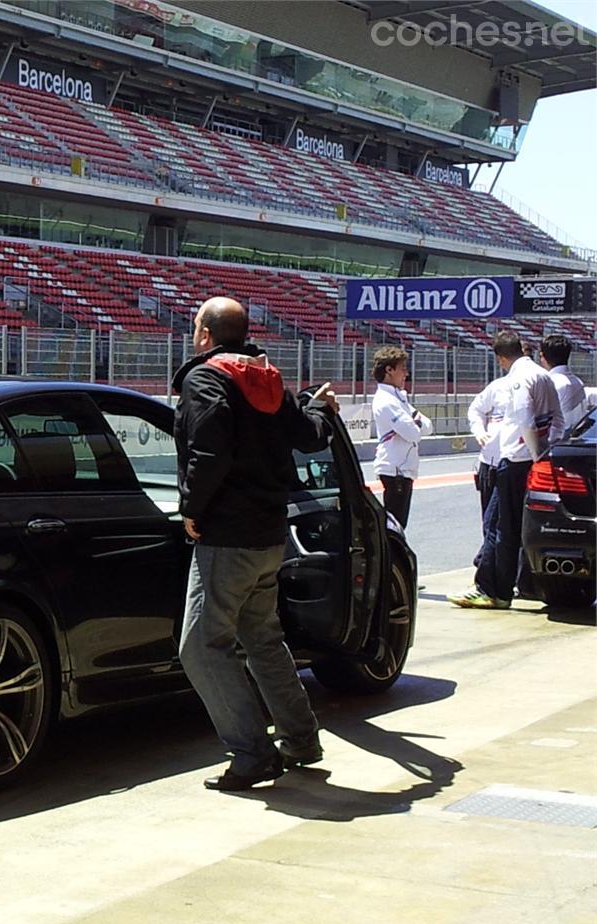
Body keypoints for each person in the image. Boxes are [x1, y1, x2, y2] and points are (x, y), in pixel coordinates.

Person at [172, 296, 338, 792]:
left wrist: (192, 509)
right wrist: (318, 407)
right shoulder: (267, 379)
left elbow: (208, 452)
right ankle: (301, 740)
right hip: (270, 534)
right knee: (263, 639)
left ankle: (251, 754)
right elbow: (309, 436)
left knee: (200, 648)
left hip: (227, 536)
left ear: (204, 335)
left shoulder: (206, 380)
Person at [452, 332, 563, 610]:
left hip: (515, 460)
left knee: (502, 528)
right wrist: (546, 451)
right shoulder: (543, 375)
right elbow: (558, 419)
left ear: (501, 358)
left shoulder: (516, 380)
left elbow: (525, 418)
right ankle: (497, 585)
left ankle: (495, 591)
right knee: (509, 525)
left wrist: (534, 453)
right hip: (536, 458)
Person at [370, 346, 432, 528]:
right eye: (403, 368)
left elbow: (428, 426)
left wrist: (414, 424)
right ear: (389, 370)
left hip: (402, 469)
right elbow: (414, 434)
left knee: (397, 524)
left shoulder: (398, 398)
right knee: (394, 526)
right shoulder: (386, 401)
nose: (406, 373)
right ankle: (390, 556)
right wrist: (415, 424)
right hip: (395, 469)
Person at [466, 373, 507, 567]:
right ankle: (488, 562)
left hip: (517, 463)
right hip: (490, 462)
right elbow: (475, 409)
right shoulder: (498, 386)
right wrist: (479, 431)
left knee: (504, 522)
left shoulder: (536, 384)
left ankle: (490, 564)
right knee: (489, 521)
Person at [538, 334, 587, 431]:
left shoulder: (551, 383)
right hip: (576, 438)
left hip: (557, 441)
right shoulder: (578, 381)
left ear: (542, 356)